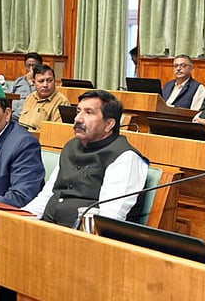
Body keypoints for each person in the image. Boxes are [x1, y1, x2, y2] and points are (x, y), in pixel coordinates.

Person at [23, 90, 149, 227]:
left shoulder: (125, 157)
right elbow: (47, 195)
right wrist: (18, 219)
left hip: (83, 237)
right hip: (46, 228)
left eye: (88, 112)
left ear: (109, 124)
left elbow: (109, 219)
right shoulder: (71, 146)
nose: (77, 118)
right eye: (78, 111)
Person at [17, 64, 70, 130]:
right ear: (34, 82)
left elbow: (57, 131)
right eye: (41, 81)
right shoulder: (30, 97)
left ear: (55, 81)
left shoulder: (61, 102)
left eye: (49, 80)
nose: (45, 85)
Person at [9, 52, 43, 120]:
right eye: (28, 66)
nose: (31, 69)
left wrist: (32, 81)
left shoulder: (43, 83)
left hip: (30, 118)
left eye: (33, 66)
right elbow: (8, 96)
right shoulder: (19, 81)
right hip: (13, 116)